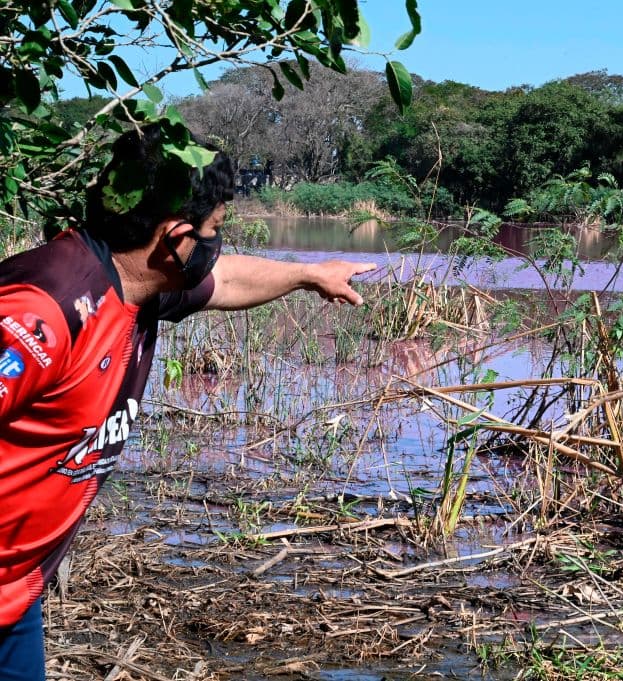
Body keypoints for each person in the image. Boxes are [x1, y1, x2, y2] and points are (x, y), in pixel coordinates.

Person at [0, 123, 375, 679]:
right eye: (215, 229)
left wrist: (307, 275)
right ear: (176, 237)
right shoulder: (44, 311)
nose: (216, 246)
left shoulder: (138, 283)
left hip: (17, 591)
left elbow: (225, 280)